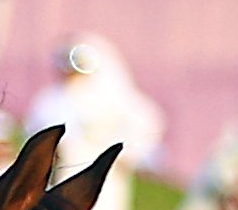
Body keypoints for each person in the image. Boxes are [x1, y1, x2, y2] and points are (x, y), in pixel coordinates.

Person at [18, 33, 165, 197]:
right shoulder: (51, 99)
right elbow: (37, 133)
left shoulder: (119, 101)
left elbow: (145, 130)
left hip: (107, 180)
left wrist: (126, 155)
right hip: (63, 175)